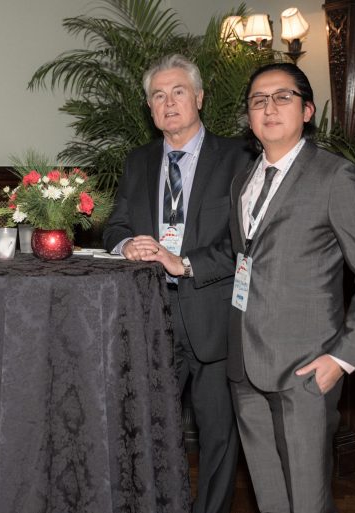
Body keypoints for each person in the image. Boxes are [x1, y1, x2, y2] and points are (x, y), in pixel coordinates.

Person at [227, 62, 355, 513]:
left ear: (307, 110)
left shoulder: (335, 177)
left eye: (282, 97)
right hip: (244, 366)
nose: (269, 108)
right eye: (258, 100)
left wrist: (341, 359)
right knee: (271, 500)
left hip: (305, 370)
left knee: (307, 503)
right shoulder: (243, 180)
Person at [103, 54, 252, 513]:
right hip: (149, 317)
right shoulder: (139, 161)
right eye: (158, 96)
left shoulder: (240, 158)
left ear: (199, 98)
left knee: (218, 436)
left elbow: (245, 242)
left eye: (179, 92)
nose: (168, 103)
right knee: (146, 430)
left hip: (214, 316)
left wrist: (183, 263)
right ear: (149, 108)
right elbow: (115, 224)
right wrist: (126, 244)